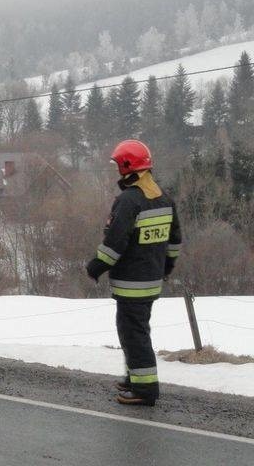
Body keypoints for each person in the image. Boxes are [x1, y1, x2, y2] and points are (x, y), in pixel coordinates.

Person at [86, 140, 182, 406]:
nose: (117, 170)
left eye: (119, 165)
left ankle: (145, 390)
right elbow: (175, 241)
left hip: (131, 282)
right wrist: (167, 267)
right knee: (137, 328)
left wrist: (96, 266)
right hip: (152, 280)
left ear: (128, 167)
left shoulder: (129, 201)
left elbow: (115, 243)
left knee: (133, 333)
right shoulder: (163, 198)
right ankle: (134, 379)